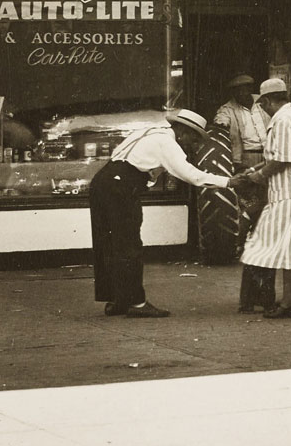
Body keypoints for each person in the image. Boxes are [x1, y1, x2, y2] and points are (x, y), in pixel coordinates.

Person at [87, 110, 236, 318]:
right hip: (121, 187)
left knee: (109, 243)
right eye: (193, 139)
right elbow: (191, 175)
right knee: (129, 244)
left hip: (103, 182)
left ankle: (117, 299)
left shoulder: (149, 132)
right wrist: (228, 181)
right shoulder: (167, 143)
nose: (193, 145)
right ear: (183, 131)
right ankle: (137, 303)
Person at [233, 77, 291, 317]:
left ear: (267, 101)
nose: (262, 108)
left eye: (262, 104)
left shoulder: (282, 120)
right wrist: (255, 169)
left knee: (290, 248)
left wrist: (259, 176)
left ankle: (288, 304)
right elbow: (279, 155)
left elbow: (283, 159)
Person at [211, 71, 274, 310]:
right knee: (256, 203)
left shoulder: (263, 103)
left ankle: (248, 230)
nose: (242, 93)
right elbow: (220, 122)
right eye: (238, 91)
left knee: (261, 206)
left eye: (246, 89)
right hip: (247, 157)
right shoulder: (228, 109)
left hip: (267, 154)